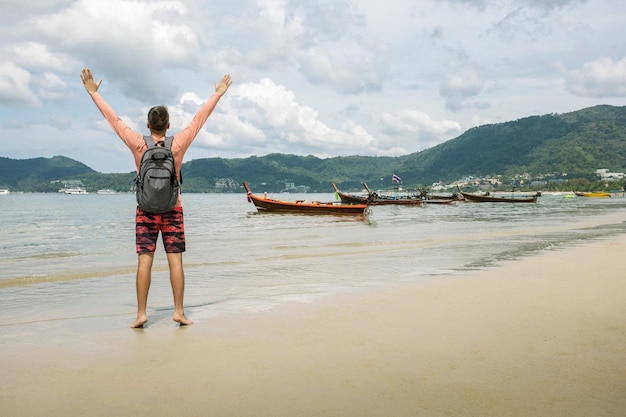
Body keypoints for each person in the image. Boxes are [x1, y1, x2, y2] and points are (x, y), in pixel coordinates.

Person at [80, 68, 232, 328]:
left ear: (149, 125)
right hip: (173, 208)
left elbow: (114, 121)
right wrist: (217, 93)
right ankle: (179, 312)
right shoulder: (178, 143)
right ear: (168, 125)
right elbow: (199, 119)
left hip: (146, 210)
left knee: (144, 261)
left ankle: (141, 314)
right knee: (175, 260)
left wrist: (94, 93)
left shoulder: (138, 144)